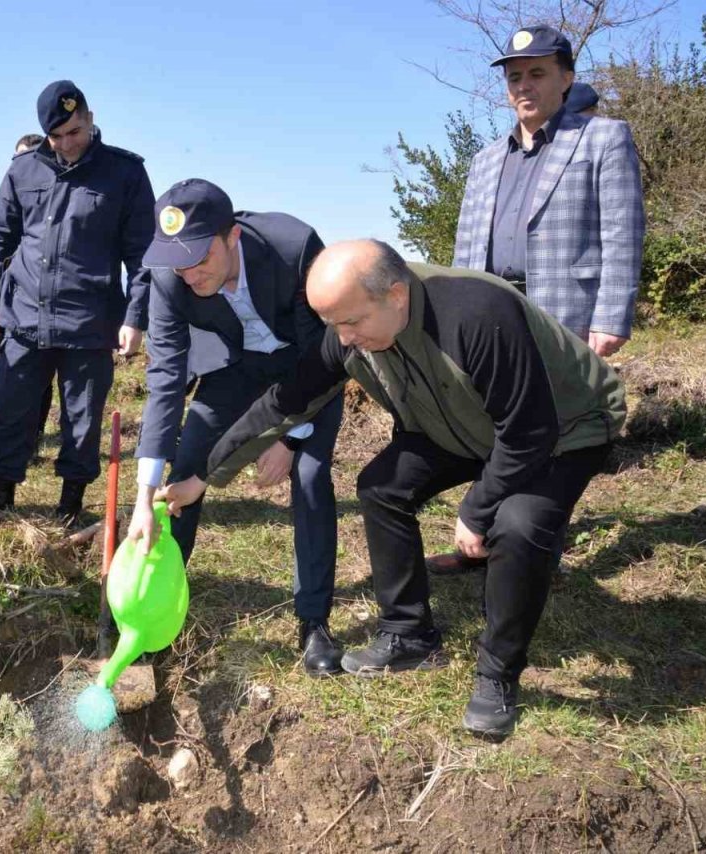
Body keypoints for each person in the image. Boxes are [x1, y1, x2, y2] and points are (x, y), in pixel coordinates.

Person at [162, 240, 625, 737]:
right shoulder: (352, 329)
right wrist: (201, 479)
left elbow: (529, 432)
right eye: (332, 324)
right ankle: (408, 634)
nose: (344, 338)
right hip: (466, 425)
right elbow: (284, 402)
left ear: (396, 295)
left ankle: (497, 675)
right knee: (382, 486)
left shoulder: (477, 313)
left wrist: (477, 508)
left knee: (517, 524)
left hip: (564, 428)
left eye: (351, 322)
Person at [439, 27, 643, 574]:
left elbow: (622, 231)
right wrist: (458, 312)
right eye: (515, 77)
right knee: (496, 423)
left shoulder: (602, 139)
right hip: (494, 313)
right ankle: (485, 541)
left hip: (562, 312)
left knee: (552, 432)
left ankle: (531, 553)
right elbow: (466, 246)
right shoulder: (485, 159)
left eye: (537, 73)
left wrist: (611, 314)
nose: (524, 85)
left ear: (566, 78)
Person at [124, 179, 345, 676]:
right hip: (237, 367)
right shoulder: (169, 277)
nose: (189, 274)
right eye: (178, 263)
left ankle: (313, 621)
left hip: (306, 367)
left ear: (232, 237)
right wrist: (143, 494)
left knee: (310, 477)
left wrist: (289, 439)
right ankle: (156, 605)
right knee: (187, 463)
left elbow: (322, 359)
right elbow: (165, 378)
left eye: (200, 258)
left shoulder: (294, 250)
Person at [0, 80, 154, 524]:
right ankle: (1, 498)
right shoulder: (23, 171)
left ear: (90, 119)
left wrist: (135, 317)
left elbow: (142, 256)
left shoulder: (125, 174)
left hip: (90, 323)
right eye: (56, 136)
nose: (67, 143)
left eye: (74, 131)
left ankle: (70, 504)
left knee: (82, 420)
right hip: (24, 317)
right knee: (12, 411)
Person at [0, 132, 54, 472]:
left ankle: (32, 440)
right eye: (17, 157)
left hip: (37, 305)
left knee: (42, 376)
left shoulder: (50, 206)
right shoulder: (9, 197)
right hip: (4, 302)